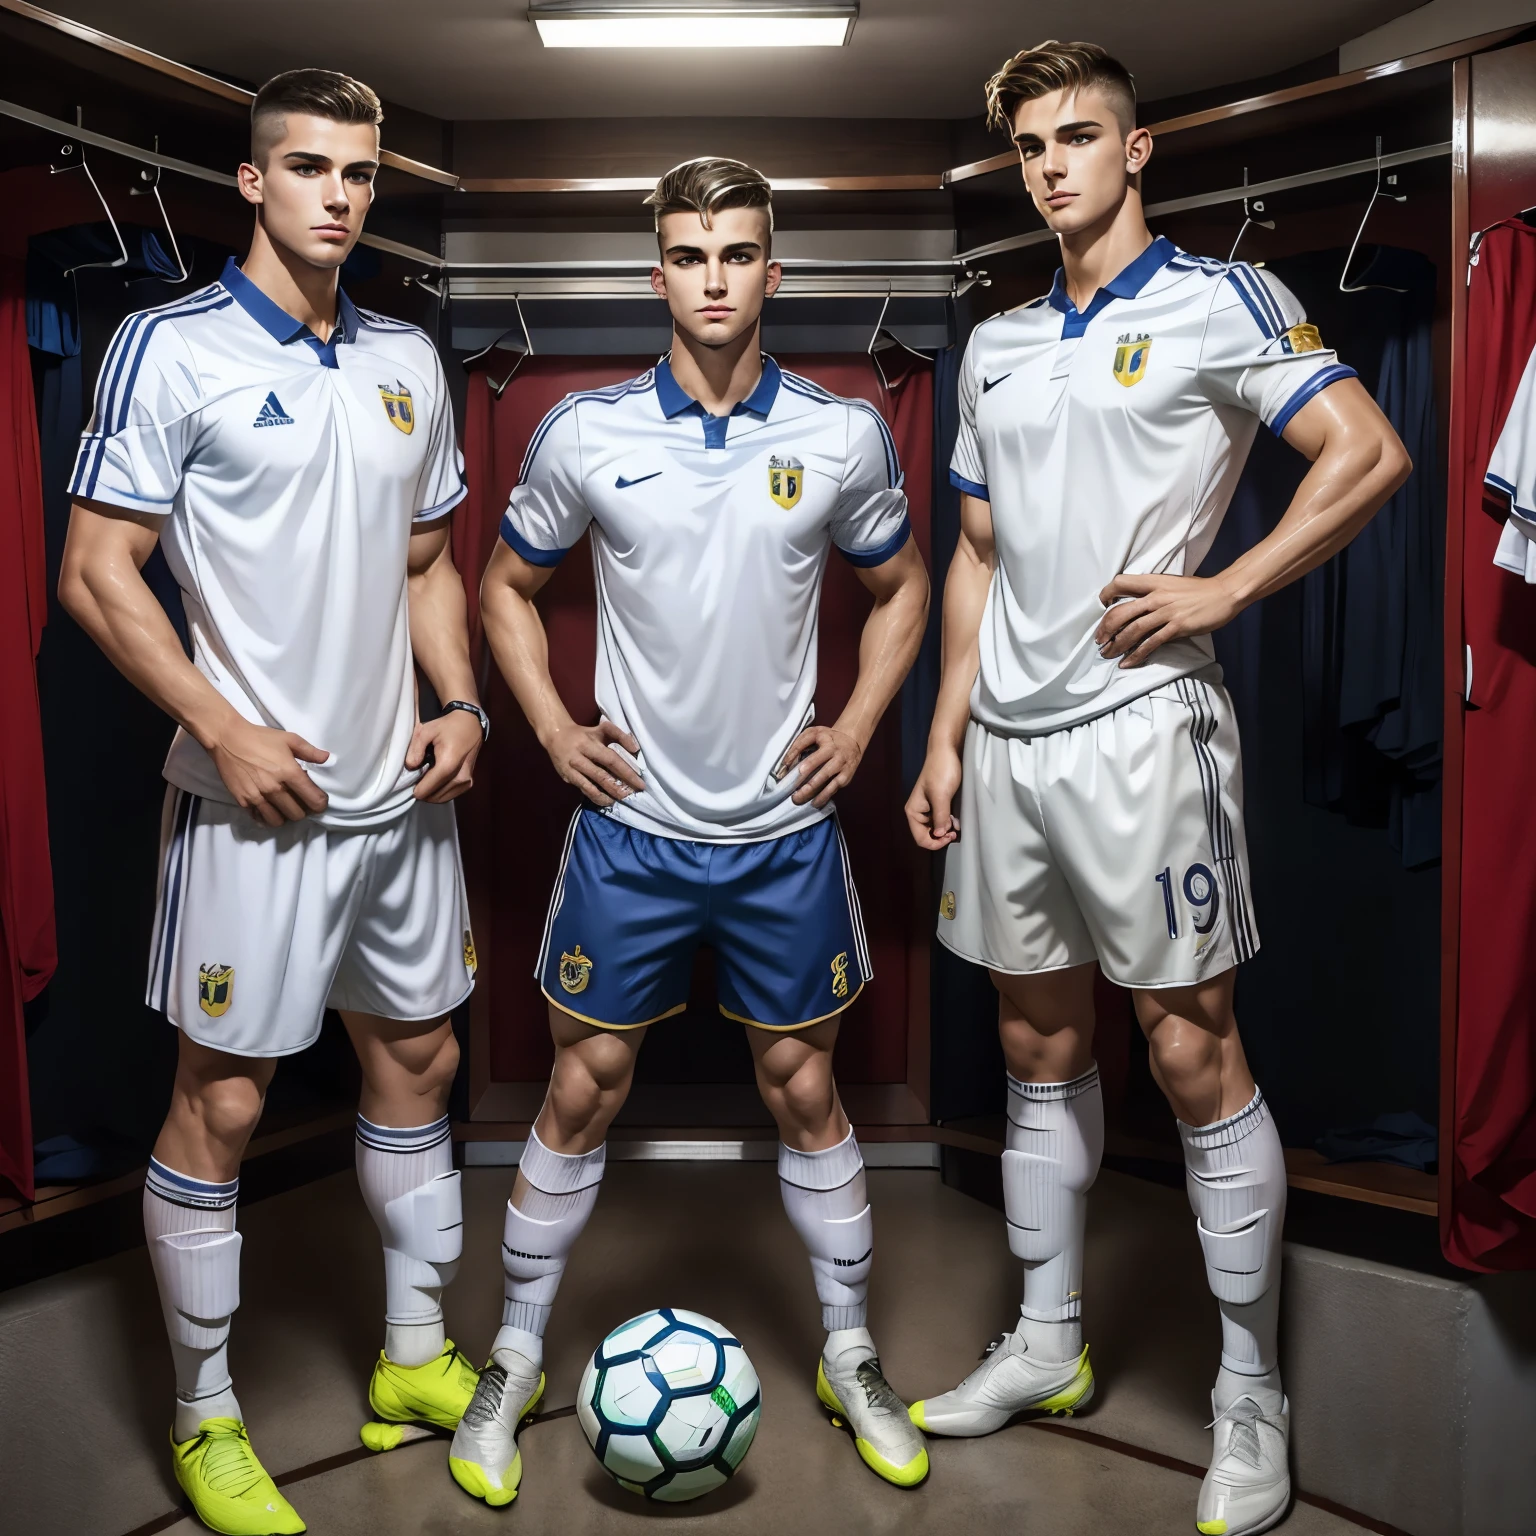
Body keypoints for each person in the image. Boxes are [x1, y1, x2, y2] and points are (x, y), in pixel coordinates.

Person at [903, 41, 1410, 1536]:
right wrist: (941, 731)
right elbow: (978, 560)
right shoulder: (992, 341)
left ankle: (1251, 1391)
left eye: (1080, 137)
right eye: (1031, 146)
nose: (1053, 163)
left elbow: (1366, 450)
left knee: (1188, 1045)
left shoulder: (1220, 299)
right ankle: (1048, 1344)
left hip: (1144, 732)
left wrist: (1226, 588)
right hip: (1006, 739)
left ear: (1138, 153)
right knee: (1033, 1038)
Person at [457, 156, 932, 1504]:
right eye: (687, 254)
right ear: (655, 270)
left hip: (784, 834)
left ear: (774, 269)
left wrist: (860, 727)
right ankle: (510, 1355)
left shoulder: (842, 434)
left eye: (737, 254)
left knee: (804, 1091)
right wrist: (551, 731)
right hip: (632, 833)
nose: (713, 279)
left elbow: (902, 591)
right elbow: (501, 588)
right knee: (579, 1090)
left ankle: (849, 1356)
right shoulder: (586, 431)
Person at [58, 69, 488, 1536]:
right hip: (255, 810)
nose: (339, 195)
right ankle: (205, 1418)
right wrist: (224, 728)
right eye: (308, 167)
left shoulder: (409, 359)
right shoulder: (163, 346)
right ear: (253, 181)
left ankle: (416, 1359)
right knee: (224, 1099)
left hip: (398, 806)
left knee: (419, 1060)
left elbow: (431, 565)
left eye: (360, 173)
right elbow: (97, 571)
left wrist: (465, 702)